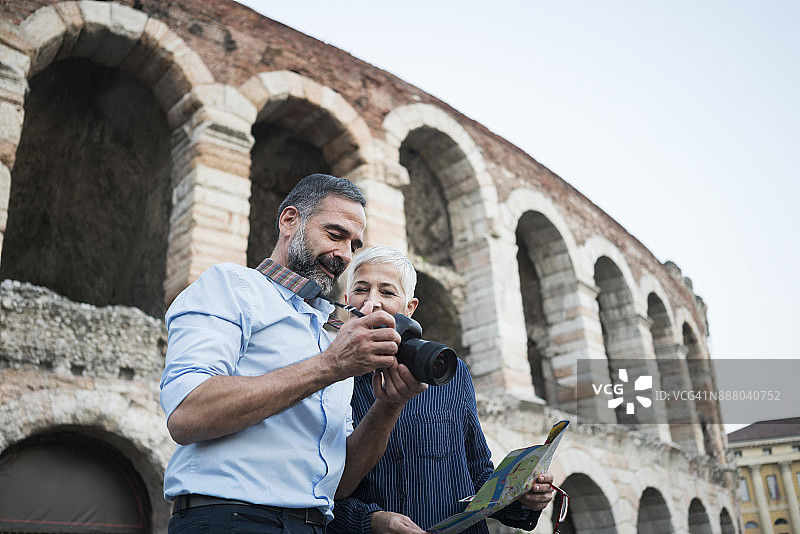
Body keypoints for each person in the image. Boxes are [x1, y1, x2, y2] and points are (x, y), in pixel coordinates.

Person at [159, 174, 426, 533]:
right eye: (335, 235)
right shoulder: (232, 286)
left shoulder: (333, 332)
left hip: (312, 525)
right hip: (229, 518)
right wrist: (331, 366)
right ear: (289, 221)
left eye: (354, 244)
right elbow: (187, 414)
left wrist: (388, 405)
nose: (344, 256)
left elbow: (341, 483)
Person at [328, 245, 555, 534]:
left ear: (410, 308)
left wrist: (524, 500)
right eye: (361, 290)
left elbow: (478, 474)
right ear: (346, 302)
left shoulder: (451, 373)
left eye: (387, 292)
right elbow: (314, 489)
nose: (373, 303)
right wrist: (369, 522)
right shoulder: (332, 377)